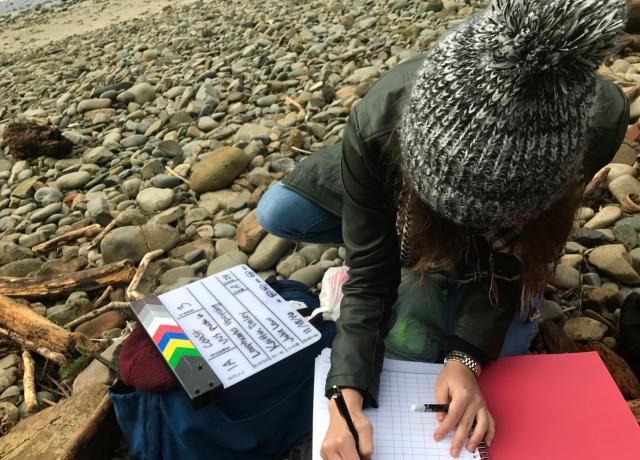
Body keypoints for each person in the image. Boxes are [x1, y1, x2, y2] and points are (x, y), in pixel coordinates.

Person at [256, 0, 628, 458]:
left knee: (493, 352)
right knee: (278, 213)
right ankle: (422, 241)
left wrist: (465, 358)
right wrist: (344, 391)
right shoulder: (377, 122)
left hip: (503, 223)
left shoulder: (599, 125)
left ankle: (453, 264)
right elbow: (371, 273)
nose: (470, 229)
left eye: (492, 222)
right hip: (390, 157)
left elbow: (518, 251)